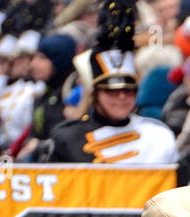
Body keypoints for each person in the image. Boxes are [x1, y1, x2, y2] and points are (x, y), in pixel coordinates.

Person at [45, 48, 179, 164]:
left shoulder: (159, 135)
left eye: (128, 90)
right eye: (111, 91)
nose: (122, 97)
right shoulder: (67, 137)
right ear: (95, 94)